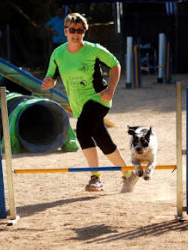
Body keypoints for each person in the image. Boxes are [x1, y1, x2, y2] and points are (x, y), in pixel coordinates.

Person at [42, 13, 138, 193]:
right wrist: (49, 83)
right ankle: (128, 174)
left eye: (80, 31)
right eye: (72, 30)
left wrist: (110, 90)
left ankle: (96, 177)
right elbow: (52, 77)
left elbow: (115, 65)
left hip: (98, 98)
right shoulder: (58, 53)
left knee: (83, 131)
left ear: (85, 32)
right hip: (79, 104)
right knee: (103, 140)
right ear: (65, 31)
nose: (76, 34)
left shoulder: (94, 50)